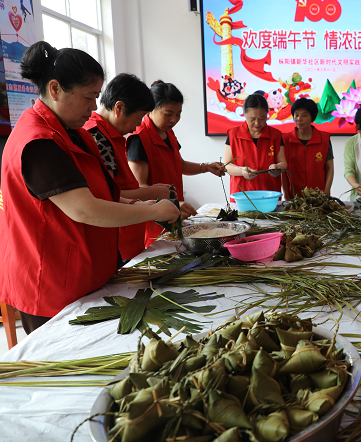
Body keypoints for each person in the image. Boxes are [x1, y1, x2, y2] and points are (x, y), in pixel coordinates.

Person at [0, 42, 179, 333]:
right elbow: (86, 210)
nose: (94, 107)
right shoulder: (39, 141)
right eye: (88, 97)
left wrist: (140, 205)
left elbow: (103, 193)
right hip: (51, 282)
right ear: (55, 89)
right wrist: (151, 211)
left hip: (81, 274)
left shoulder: (72, 133)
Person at [83, 73, 172, 259]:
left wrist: (144, 203)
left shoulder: (111, 134)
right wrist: (152, 197)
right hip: (115, 239)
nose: (138, 125)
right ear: (119, 108)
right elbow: (106, 197)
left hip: (127, 231)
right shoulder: (98, 138)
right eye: (138, 118)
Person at [127, 81, 223, 247]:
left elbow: (179, 164)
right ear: (151, 109)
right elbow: (139, 189)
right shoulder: (139, 138)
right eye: (168, 114)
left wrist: (205, 166)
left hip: (173, 214)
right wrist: (172, 203)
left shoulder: (168, 133)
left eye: (178, 114)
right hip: (154, 220)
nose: (174, 120)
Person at [223, 93, 287, 198]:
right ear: (244, 114)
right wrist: (242, 171)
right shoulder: (233, 135)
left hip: (269, 194)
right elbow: (226, 165)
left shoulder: (275, 135)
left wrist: (278, 167)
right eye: (252, 119)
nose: (257, 123)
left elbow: (283, 163)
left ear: (267, 114)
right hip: (242, 195)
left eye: (261, 118)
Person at [282, 98, 334, 199]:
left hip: (319, 197)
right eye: (296, 115)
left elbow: (330, 168)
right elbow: (283, 172)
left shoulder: (324, 139)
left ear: (312, 118)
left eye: (304, 115)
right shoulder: (285, 140)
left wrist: (326, 192)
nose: (299, 119)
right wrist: (286, 195)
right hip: (295, 197)